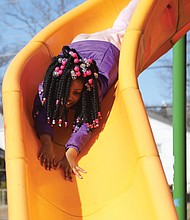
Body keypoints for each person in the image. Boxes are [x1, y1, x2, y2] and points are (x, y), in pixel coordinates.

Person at [32, 0, 140, 181]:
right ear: (59, 87)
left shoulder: (90, 88)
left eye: (77, 93)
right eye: (69, 92)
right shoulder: (50, 86)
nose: (71, 99)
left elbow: (87, 124)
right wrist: (46, 142)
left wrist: (71, 153)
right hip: (79, 46)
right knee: (119, 25)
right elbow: (40, 111)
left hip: (107, 46)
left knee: (124, 28)